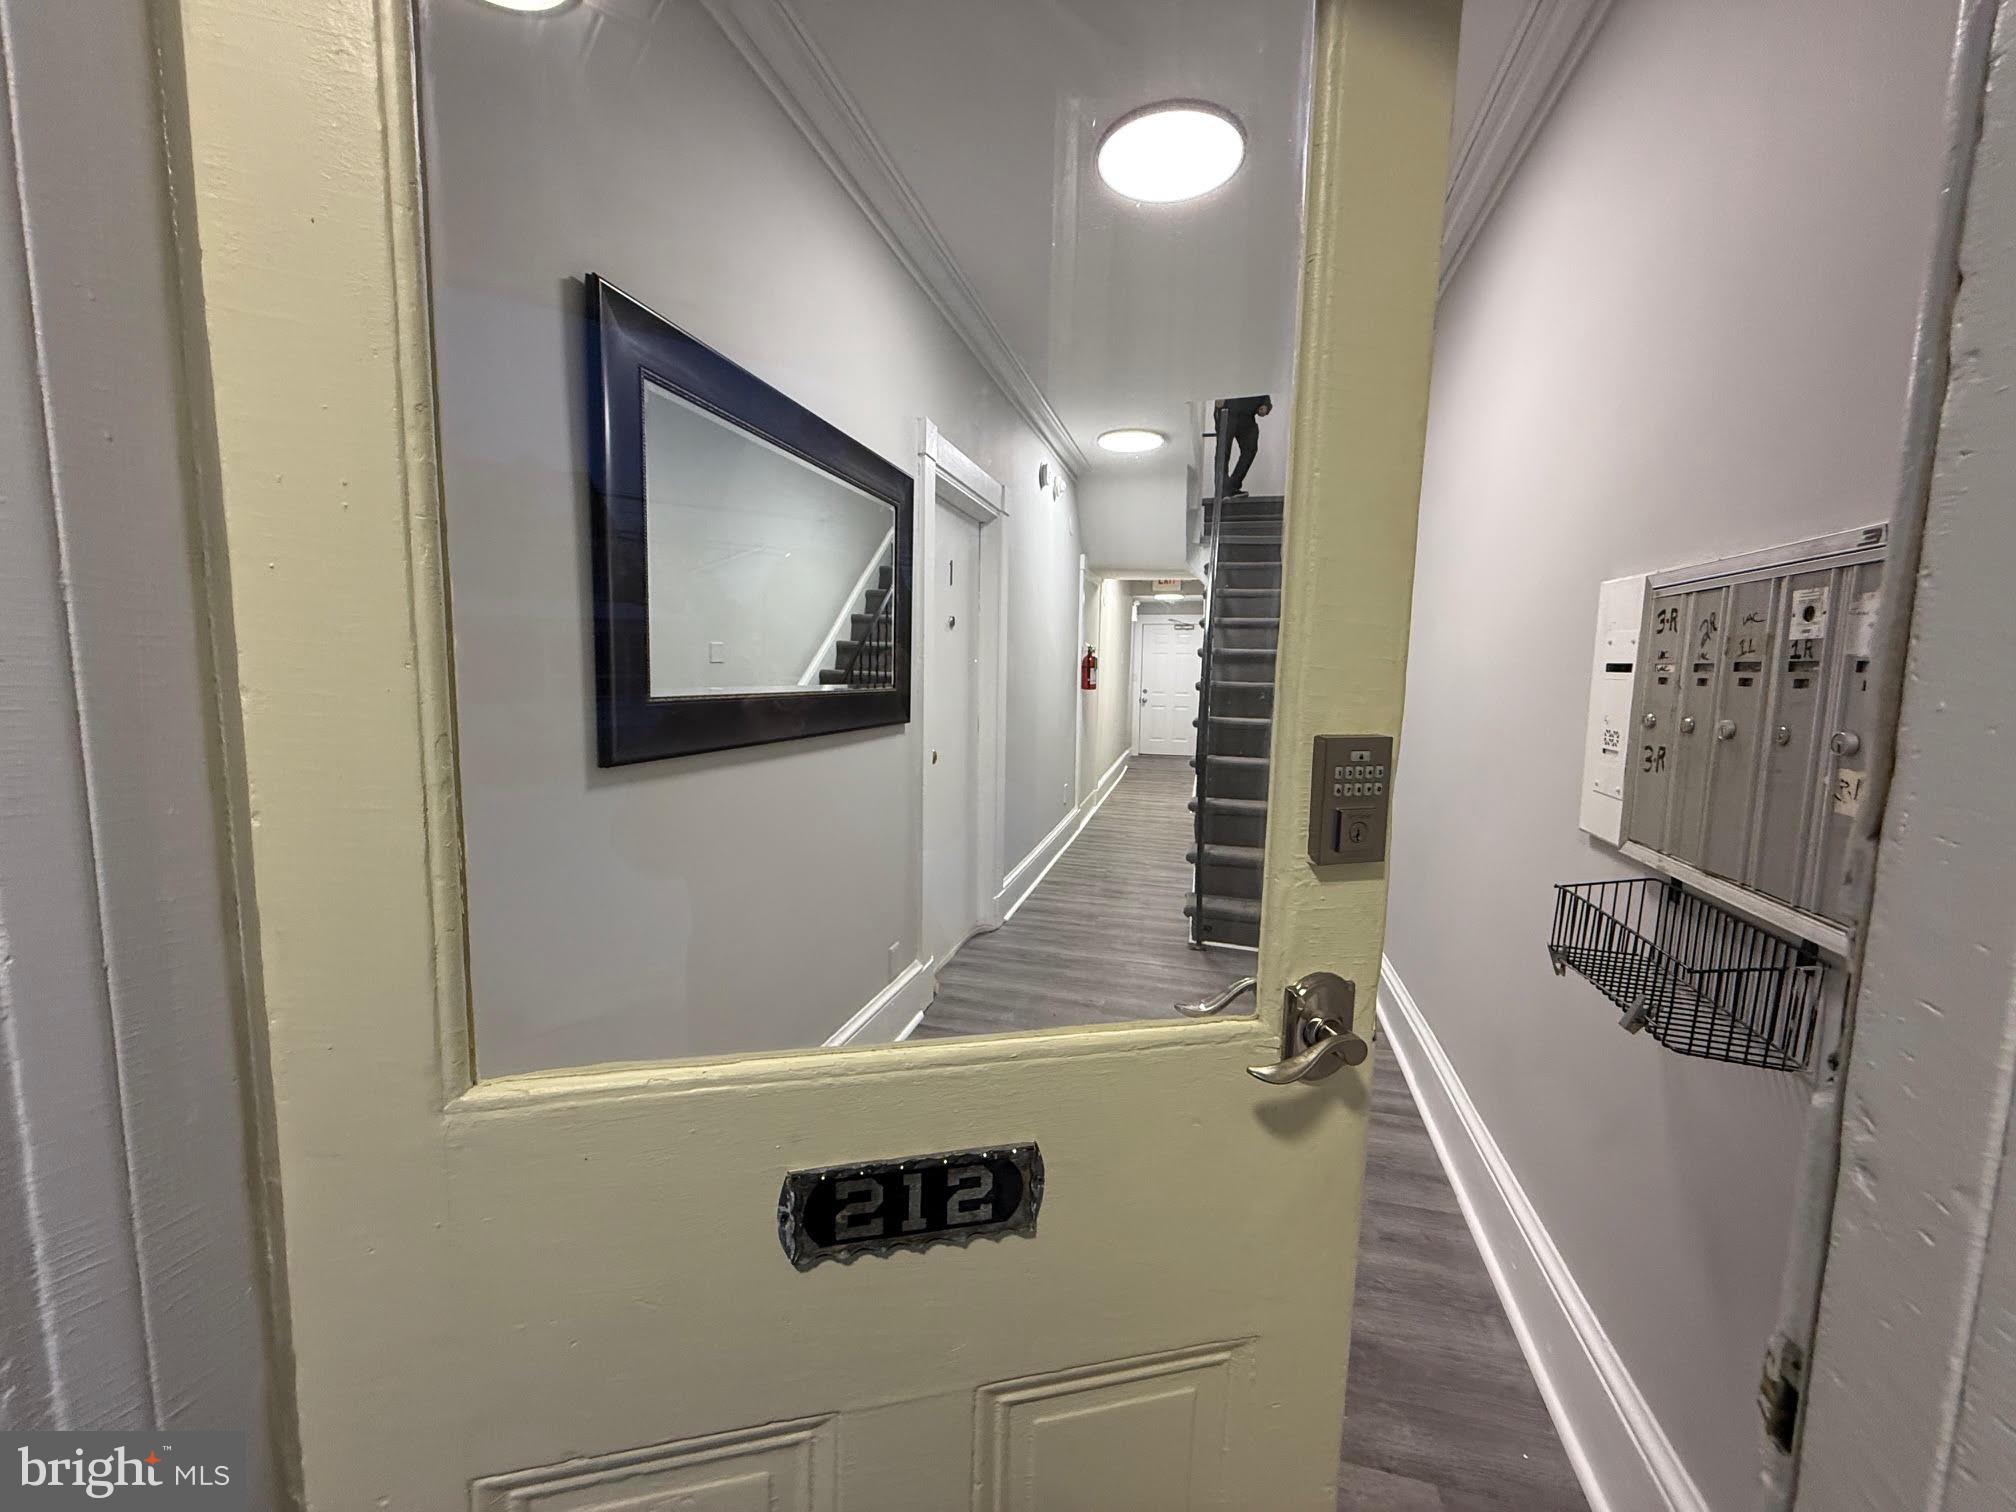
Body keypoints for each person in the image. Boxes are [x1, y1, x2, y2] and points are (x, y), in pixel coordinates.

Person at [1215, 394, 1273, 498]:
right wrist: (1218, 394)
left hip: (1248, 415)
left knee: (1250, 449)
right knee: (1223, 451)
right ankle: (1223, 489)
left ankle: (1231, 487)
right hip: (1228, 410)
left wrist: (1265, 405)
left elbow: (1264, 384)